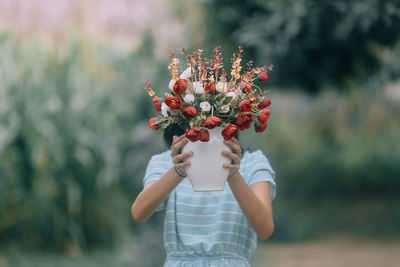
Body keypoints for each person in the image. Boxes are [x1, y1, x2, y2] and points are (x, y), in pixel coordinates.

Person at [131, 124, 276, 267]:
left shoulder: (252, 163)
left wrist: (232, 174)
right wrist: (178, 172)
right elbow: (139, 212)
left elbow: (265, 229)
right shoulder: (165, 162)